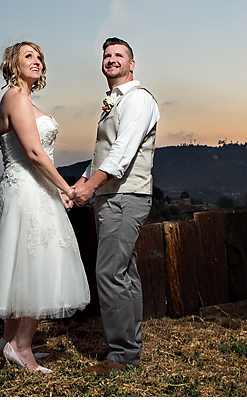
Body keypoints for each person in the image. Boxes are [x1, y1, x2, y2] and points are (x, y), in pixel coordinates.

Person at [0, 41, 90, 374]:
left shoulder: (23, 100)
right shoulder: (15, 98)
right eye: (28, 56)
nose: (37, 61)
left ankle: (10, 341)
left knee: (22, 266)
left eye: (40, 57)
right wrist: (68, 189)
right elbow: (34, 154)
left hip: (33, 190)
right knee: (38, 265)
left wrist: (57, 190)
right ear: (13, 63)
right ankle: (22, 347)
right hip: (28, 193)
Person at [73, 37, 159, 375]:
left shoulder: (137, 100)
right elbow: (103, 153)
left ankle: (122, 356)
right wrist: (81, 184)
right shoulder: (114, 101)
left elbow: (122, 153)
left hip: (125, 197)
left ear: (132, 64)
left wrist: (91, 187)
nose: (111, 60)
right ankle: (129, 347)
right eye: (107, 55)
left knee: (109, 272)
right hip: (114, 196)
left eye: (119, 55)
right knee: (124, 273)